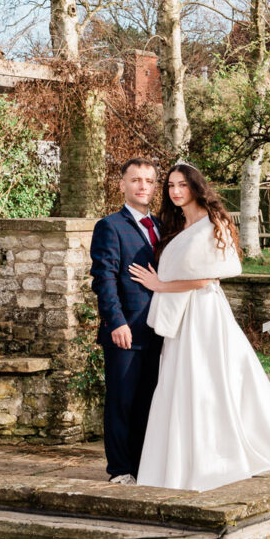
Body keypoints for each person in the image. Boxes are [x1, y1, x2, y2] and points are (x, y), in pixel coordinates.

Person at [130, 162, 270, 492]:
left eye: (182, 184)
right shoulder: (176, 225)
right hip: (181, 317)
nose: (176, 191)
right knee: (180, 381)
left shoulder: (214, 223)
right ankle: (178, 465)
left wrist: (160, 285)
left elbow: (214, 275)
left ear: (196, 186)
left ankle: (218, 461)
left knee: (209, 379)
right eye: (170, 186)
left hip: (204, 313)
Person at [90, 158, 163, 485]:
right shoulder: (110, 226)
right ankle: (120, 470)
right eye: (135, 180)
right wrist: (115, 322)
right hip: (125, 332)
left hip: (159, 331)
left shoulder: (161, 227)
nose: (142, 185)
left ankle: (142, 466)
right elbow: (103, 279)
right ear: (122, 184)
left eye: (148, 180)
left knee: (149, 402)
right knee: (121, 402)